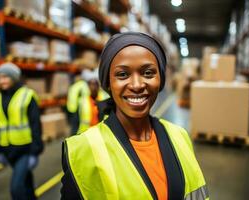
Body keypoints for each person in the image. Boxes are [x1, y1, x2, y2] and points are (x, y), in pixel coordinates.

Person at [61, 32, 209, 200]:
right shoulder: (83, 151)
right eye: (122, 74)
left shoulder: (180, 136)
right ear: (108, 83)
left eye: (148, 73)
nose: (137, 85)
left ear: (160, 79)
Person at [0, 62, 43, 200]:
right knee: (26, 182)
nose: (1, 81)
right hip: (8, 151)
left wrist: (35, 151)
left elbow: (35, 124)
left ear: (14, 77)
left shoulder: (27, 95)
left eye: (5, 77)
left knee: (16, 189)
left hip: (25, 150)